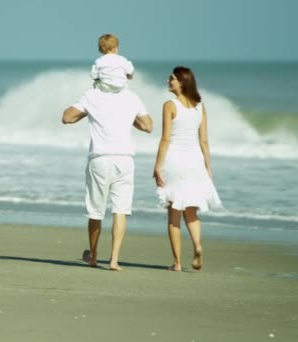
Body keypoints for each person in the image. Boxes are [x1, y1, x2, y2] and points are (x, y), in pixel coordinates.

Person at [62, 81, 153, 271]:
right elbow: (148, 126)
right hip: (124, 160)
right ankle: (114, 260)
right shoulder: (131, 97)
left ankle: (93, 256)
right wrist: (126, 118)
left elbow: (67, 118)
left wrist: (90, 111)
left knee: (96, 210)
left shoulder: (92, 95)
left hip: (100, 158)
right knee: (121, 210)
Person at [153, 66, 223, 272]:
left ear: (182, 82)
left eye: (172, 79)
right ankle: (198, 246)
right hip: (195, 161)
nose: (168, 81)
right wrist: (208, 167)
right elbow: (204, 140)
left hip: (175, 160)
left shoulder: (170, 105)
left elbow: (165, 139)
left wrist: (157, 167)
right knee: (191, 211)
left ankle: (177, 263)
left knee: (174, 211)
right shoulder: (199, 106)